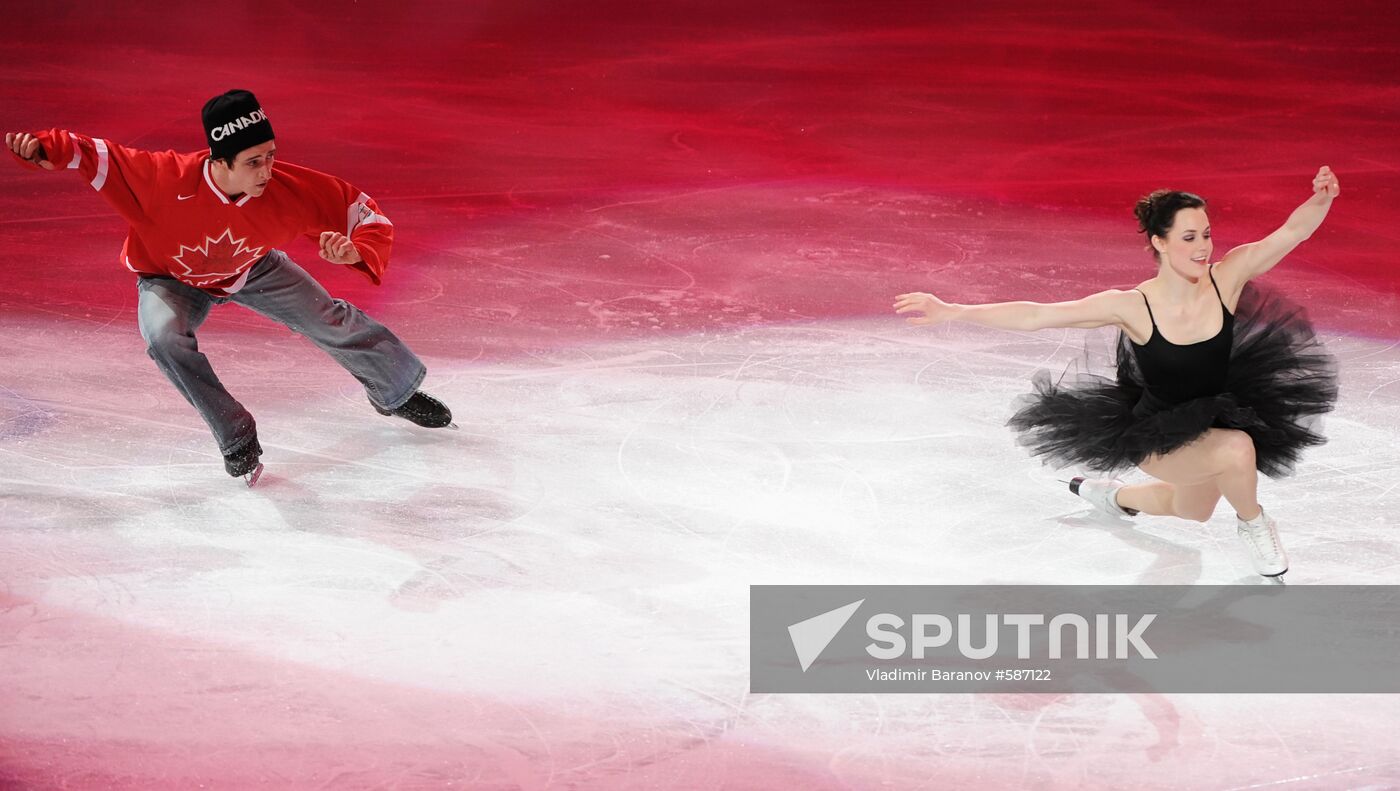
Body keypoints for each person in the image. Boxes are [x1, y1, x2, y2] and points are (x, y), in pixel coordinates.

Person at [893, 168, 1341, 577]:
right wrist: (954, 310)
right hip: (1158, 435)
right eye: (1188, 238)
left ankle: (1111, 496)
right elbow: (1037, 315)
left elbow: (1291, 232)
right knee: (1238, 449)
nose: (1203, 247)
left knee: (1194, 510)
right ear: (1160, 243)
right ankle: (1255, 525)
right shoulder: (1133, 306)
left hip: (1216, 418)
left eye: (1206, 234)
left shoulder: (1227, 279)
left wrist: (1321, 199)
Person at [6, 89, 454, 486]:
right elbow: (89, 152)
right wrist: (44, 147)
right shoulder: (163, 178)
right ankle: (236, 436)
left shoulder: (287, 188)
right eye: (253, 162)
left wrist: (355, 250)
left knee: (327, 316)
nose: (267, 170)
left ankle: (395, 390)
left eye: (271, 155)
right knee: (163, 338)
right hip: (170, 278)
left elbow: (362, 211)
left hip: (251, 268)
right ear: (218, 162)